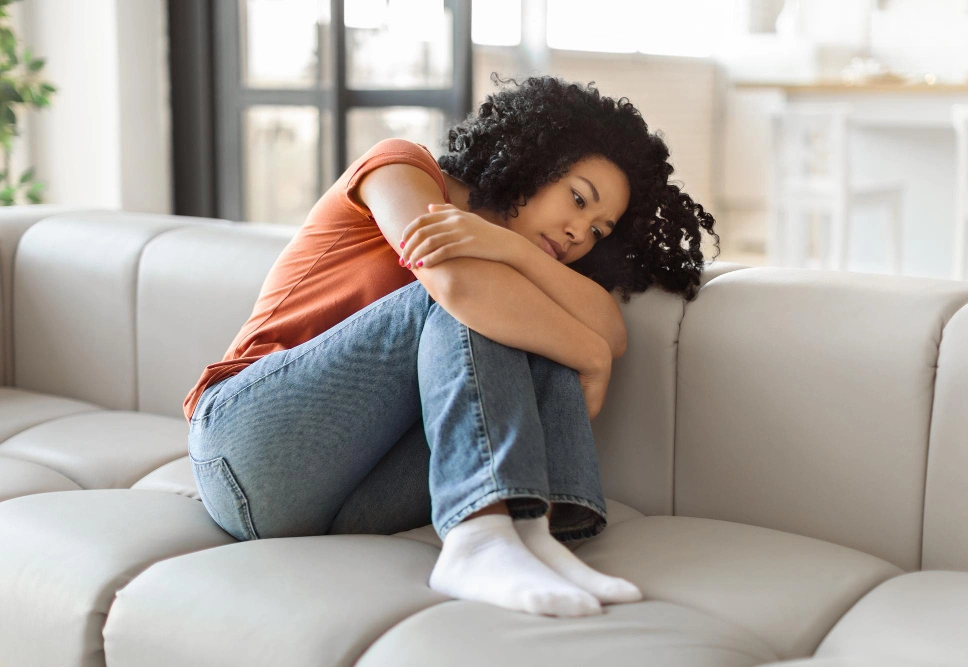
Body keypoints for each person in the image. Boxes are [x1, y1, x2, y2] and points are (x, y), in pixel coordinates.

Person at [183, 73, 720, 619]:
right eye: (577, 198)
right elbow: (456, 287)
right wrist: (590, 355)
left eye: (599, 231)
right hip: (246, 448)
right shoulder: (400, 167)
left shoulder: (517, 257)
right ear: (534, 158)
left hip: (344, 493)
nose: (581, 233)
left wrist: (514, 252)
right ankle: (478, 539)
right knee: (475, 304)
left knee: (532, 322)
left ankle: (535, 534)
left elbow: (611, 330)